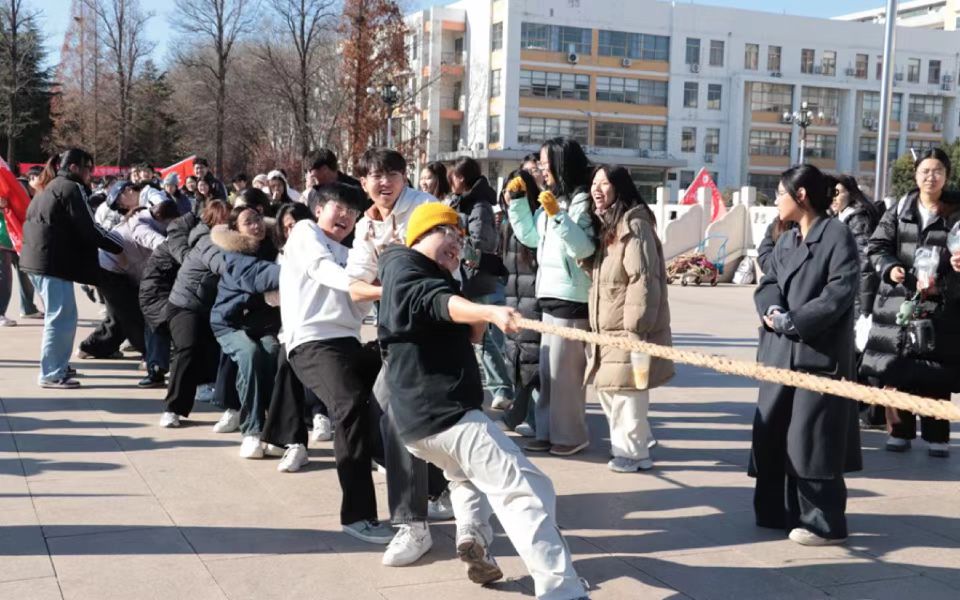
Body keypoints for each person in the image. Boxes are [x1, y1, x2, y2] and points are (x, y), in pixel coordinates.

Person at [378, 202, 588, 598]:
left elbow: (462, 328)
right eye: (447, 233)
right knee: (527, 490)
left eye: (460, 238)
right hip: (447, 415)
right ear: (421, 234)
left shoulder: (426, 273)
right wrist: (488, 311)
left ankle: (473, 537)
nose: (456, 243)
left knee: (464, 476)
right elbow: (435, 301)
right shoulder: (407, 267)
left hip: (421, 426)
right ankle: (562, 590)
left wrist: (477, 313)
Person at [270, 183, 395, 542]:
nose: (345, 216)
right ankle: (357, 516)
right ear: (318, 209)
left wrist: (372, 281)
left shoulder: (351, 252)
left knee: (399, 388)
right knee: (350, 404)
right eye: (338, 207)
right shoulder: (304, 233)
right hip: (311, 342)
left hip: (348, 343)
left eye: (352, 212)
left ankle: (431, 488)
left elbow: (358, 307)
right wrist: (371, 288)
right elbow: (321, 270)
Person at [345, 148, 451, 567]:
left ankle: (413, 524)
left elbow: (445, 267)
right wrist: (391, 286)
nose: (384, 181)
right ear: (363, 182)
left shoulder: (426, 209)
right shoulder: (366, 224)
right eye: (375, 175)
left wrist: (395, 272)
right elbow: (356, 286)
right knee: (382, 415)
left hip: (433, 329)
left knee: (395, 417)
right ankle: (441, 487)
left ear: (405, 177)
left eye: (392, 173)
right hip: (395, 332)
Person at [753, 164, 862, 546]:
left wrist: (796, 321)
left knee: (811, 441)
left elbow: (838, 293)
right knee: (773, 435)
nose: (776, 202)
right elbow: (768, 281)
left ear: (800, 196)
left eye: (780, 194)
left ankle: (823, 524)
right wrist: (772, 310)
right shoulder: (787, 239)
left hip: (817, 356)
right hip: (779, 352)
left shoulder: (837, 235)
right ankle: (778, 512)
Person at [862, 148, 960, 458]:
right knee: (897, 365)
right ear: (916, 175)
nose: (931, 177)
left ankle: (937, 435)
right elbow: (876, 246)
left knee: (936, 369)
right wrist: (890, 268)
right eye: (925, 171)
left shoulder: (956, 211)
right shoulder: (900, 209)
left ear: (947, 175)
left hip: (941, 302)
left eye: (938, 171)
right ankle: (899, 430)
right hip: (899, 300)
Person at [507, 137, 596, 456]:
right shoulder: (553, 199)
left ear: (561, 164)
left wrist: (559, 215)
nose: (541, 170)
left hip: (571, 297)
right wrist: (518, 203)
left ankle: (571, 436)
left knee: (565, 375)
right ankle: (546, 432)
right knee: (548, 373)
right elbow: (532, 237)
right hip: (549, 293)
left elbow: (583, 248)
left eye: (545, 165)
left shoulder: (582, 201)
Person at [583, 165, 674, 472]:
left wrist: (637, 327)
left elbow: (643, 279)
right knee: (611, 388)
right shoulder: (609, 224)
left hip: (628, 326)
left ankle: (633, 454)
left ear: (619, 188)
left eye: (604, 183)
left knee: (627, 392)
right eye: (594, 183)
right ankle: (638, 443)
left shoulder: (634, 225)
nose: (596, 189)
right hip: (607, 324)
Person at [18, 148, 123, 388]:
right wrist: (120, 246)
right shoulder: (71, 187)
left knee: (62, 317)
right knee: (61, 319)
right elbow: (90, 228)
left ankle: (58, 365)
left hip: (39, 261)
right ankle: (52, 373)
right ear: (74, 167)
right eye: (88, 169)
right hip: (50, 264)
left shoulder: (52, 186)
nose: (90, 174)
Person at [211, 205, 282, 458]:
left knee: (273, 353)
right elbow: (262, 275)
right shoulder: (234, 255)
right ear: (236, 230)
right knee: (250, 355)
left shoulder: (275, 245)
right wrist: (302, 270)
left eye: (258, 219)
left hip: (261, 325)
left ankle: (272, 429)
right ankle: (252, 431)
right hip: (229, 324)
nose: (256, 225)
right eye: (248, 222)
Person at [446, 157, 513, 411]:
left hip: (476, 278)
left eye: (452, 176)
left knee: (482, 338)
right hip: (463, 275)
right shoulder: (463, 202)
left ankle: (502, 389)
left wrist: (454, 244)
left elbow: (480, 245)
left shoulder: (479, 205)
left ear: (461, 178)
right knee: (473, 338)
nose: (450, 181)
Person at [832, 174, 884, 429]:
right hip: (849, 297)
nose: (834, 197)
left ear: (851, 194)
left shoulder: (857, 219)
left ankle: (871, 412)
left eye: (838, 192)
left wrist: (865, 307)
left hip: (857, 299)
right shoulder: (842, 218)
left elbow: (865, 263)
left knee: (861, 355)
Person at [497, 168, 542, 437]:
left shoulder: (534, 219)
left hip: (533, 299)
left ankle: (529, 419)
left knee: (530, 362)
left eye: (515, 190)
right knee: (517, 360)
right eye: (507, 189)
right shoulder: (505, 222)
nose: (508, 195)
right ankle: (524, 416)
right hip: (513, 298)